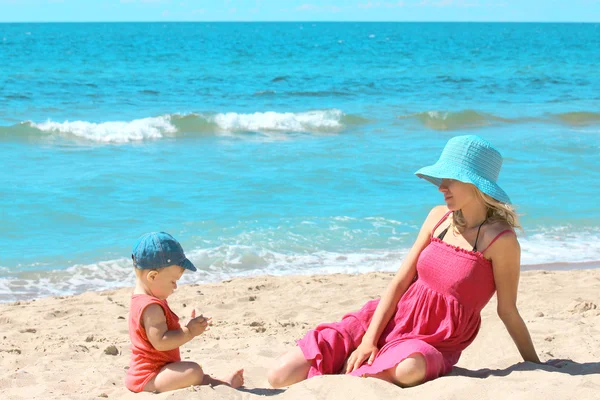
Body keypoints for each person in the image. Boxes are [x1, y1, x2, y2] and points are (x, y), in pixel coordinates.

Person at [267, 135, 547, 388]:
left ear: (475, 184)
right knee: (280, 375)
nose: (441, 188)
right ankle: (351, 364)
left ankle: (343, 379)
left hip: (431, 340)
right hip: (387, 318)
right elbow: (400, 281)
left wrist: (536, 364)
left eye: (449, 179)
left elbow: (507, 310)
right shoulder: (438, 217)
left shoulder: (501, 241)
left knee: (408, 369)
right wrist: (368, 340)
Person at [125, 232, 244, 393]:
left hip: (160, 368)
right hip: (149, 376)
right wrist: (189, 332)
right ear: (152, 276)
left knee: (192, 372)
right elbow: (160, 342)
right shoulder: (151, 307)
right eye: (173, 281)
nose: (175, 287)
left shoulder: (146, 297)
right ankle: (218, 383)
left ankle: (221, 383)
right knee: (193, 371)